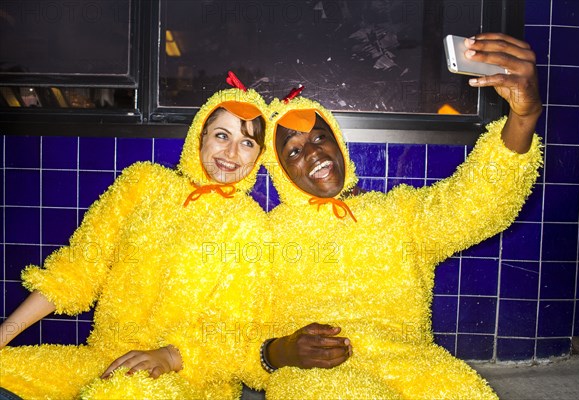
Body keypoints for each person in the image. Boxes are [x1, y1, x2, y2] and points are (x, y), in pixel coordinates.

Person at [255, 33, 543, 399]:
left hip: (411, 365)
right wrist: (282, 351)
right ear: (279, 170)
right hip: (315, 378)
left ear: (338, 145)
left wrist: (523, 116)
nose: (312, 154)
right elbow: (239, 332)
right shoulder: (266, 235)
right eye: (293, 152)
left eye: (318, 139)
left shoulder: (397, 214)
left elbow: (473, 203)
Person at [0, 74, 271, 399]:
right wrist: (4, 333)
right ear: (200, 136)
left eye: (247, 142)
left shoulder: (250, 224)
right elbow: (75, 271)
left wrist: (168, 356)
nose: (230, 152)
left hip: (188, 381)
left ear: (258, 155)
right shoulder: (142, 184)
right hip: (102, 362)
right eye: (222, 135)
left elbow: (234, 328)